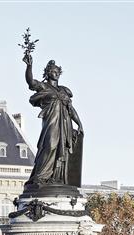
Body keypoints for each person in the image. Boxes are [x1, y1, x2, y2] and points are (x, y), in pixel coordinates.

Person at [22, 53, 83, 186]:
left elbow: (71, 109)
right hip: (51, 123)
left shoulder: (64, 91)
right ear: (47, 73)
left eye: (57, 71)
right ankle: (40, 176)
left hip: (65, 124)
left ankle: (56, 177)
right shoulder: (44, 87)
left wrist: (79, 123)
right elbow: (30, 82)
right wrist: (29, 66)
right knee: (49, 145)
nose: (55, 73)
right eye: (53, 71)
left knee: (63, 150)